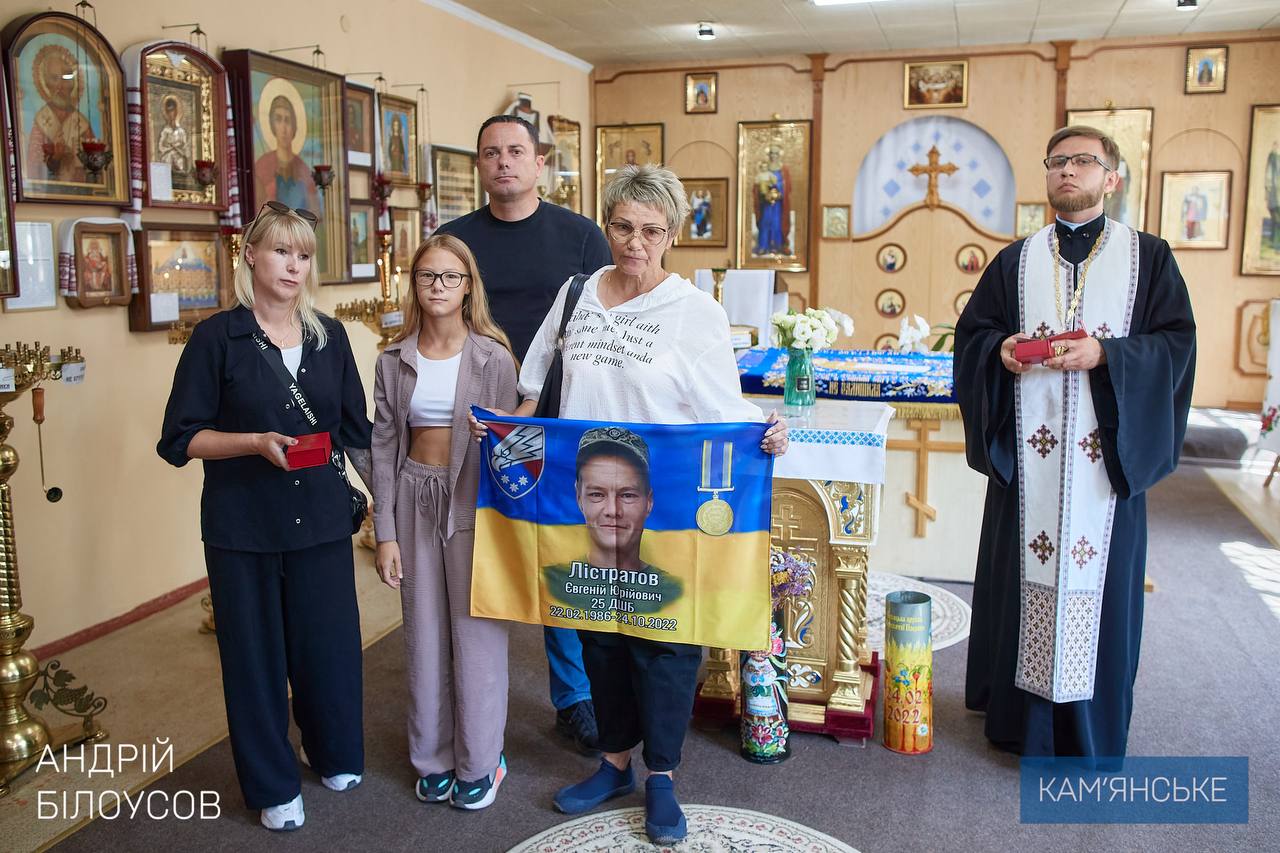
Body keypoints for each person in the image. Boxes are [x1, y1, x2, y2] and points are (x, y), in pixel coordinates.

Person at [473, 164, 789, 845]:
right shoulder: (577, 294)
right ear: (606, 225)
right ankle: (614, 762)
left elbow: (722, 407)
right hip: (586, 497)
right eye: (622, 226)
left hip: (666, 502)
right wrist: (504, 428)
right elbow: (535, 386)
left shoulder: (696, 312)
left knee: (665, 640)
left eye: (651, 230)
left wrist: (764, 431)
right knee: (601, 633)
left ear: (672, 235)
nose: (634, 242)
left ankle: (662, 775)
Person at [954, 126, 1196, 760]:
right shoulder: (1016, 261)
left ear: (1111, 179)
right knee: (1020, 581)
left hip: (1103, 466)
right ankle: (1018, 723)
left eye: (1083, 161)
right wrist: (1000, 350)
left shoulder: (1149, 258)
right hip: (1031, 467)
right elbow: (973, 336)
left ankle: (1088, 729)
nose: (1068, 170)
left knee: (1102, 593)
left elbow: (1175, 345)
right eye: (1057, 161)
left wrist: (1107, 354)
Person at [157, 201, 373, 830]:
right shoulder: (216, 338)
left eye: (303, 255)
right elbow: (180, 439)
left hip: (322, 519)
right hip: (243, 526)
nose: (293, 265)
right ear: (250, 255)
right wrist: (252, 442)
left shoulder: (330, 336)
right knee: (254, 660)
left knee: (328, 646)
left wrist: (386, 513)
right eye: (281, 251)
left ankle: (332, 749)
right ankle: (273, 783)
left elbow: (356, 434)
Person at [438, 114, 612, 754]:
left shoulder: (581, 237)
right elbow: (437, 323)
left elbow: (608, 324)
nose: (503, 162)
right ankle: (467, 693)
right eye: (491, 153)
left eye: (516, 151)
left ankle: (575, 696)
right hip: (475, 418)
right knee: (473, 553)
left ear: (539, 162)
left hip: (561, 418)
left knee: (562, 554)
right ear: (479, 165)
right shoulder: (454, 241)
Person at [371, 233, 518, 810]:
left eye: (450, 277)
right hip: (413, 495)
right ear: (414, 284)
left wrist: (498, 430)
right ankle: (432, 758)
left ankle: (482, 761)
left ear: (468, 287)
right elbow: (384, 447)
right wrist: (385, 532)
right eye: (427, 275)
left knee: (476, 632)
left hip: (473, 500)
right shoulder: (393, 360)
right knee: (424, 631)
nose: (438, 286)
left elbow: (516, 446)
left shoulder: (493, 357)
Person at [253, 94, 320, 213]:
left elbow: (315, 211)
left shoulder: (303, 169)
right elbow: (256, 211)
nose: (283, 128)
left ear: (294, 126)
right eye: (278, 119)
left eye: (287, 120)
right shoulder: (262, 165)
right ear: (272, 124)